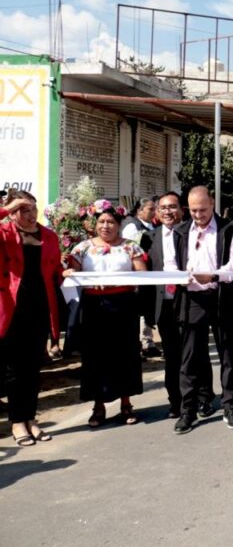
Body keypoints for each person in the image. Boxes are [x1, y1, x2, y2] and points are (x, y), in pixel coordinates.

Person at [171, 186, 233, 434]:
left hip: (222, 297)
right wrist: (189, 279)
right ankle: (188, 411)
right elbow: (171, 265)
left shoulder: (229, 229)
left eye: (202, 209)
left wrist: (212, 276)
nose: (198, 215)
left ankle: (230, 406)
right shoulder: (180, 231)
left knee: (228, 356)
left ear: (212, 203)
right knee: (190, 358)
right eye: (193, 210)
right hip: (192, 298)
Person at [65, 201, 146, 428]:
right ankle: (98, 406)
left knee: (125, 354)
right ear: (95, 224)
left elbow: (144, 274)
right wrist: (68, 271)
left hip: (124, 307)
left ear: (119, 224)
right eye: (101, 221)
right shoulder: (82, 248)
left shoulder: (131, 247)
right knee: (95, 356)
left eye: (111, 222)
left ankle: (126, 404)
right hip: (94, 308)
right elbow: (70, 273)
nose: (106, 226)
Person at [0, 191, 63, 445]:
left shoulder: (48, 235)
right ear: (13, 211)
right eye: (23, 209)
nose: (30, 214)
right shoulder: (4, 233)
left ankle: (31, 419)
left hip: (39, 306)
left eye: (32, 208)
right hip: (12, 307)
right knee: (14, 369)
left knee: (33, 367)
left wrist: (65, 269)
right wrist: (5, 209)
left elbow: (54, 266)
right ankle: (17, 422)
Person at [143, 191, 186, 418]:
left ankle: (197, 398)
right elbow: (145, 279)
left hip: (189, 304)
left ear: (181, 209)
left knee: (191, 355)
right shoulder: (149, 238)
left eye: (172, 207)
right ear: (157, 212)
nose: (168, 212)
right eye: (163, 208)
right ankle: (175, 402)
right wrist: (148, 313)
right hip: (164, 306)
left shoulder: (191, 234)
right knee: (171, 357)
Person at [124, 197, 160, 359]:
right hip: (138, 275)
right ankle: (140, 343)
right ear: (139, 210)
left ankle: (148, 342)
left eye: (154, 209)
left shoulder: (153, 225)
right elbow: (129, 249)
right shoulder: (132, 226)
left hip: (150, 273)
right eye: (150, 209)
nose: (154, 212)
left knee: (147, 308)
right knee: (138, 309)